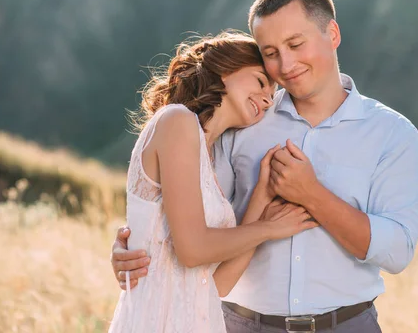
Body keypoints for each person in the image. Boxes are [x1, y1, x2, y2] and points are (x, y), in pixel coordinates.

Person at [111, 0, 418, 333]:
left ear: (333, 33)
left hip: (348, 324)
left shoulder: (392, 134)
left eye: (295, 44)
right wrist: (137, 248)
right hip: (237, 323)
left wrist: (312, 195)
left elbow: (397, 252)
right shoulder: (241, 120)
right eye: (270, 53)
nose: (286, 64)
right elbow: (189, 224)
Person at [107, 31, 319, 333]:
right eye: (260, 82)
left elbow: (215, 286)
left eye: (271, 96)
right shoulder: (177, 121)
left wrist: (261, 197)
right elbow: (192, 250)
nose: (267, 99)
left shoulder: (209, 157)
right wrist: (270, 228)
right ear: (223, 68)